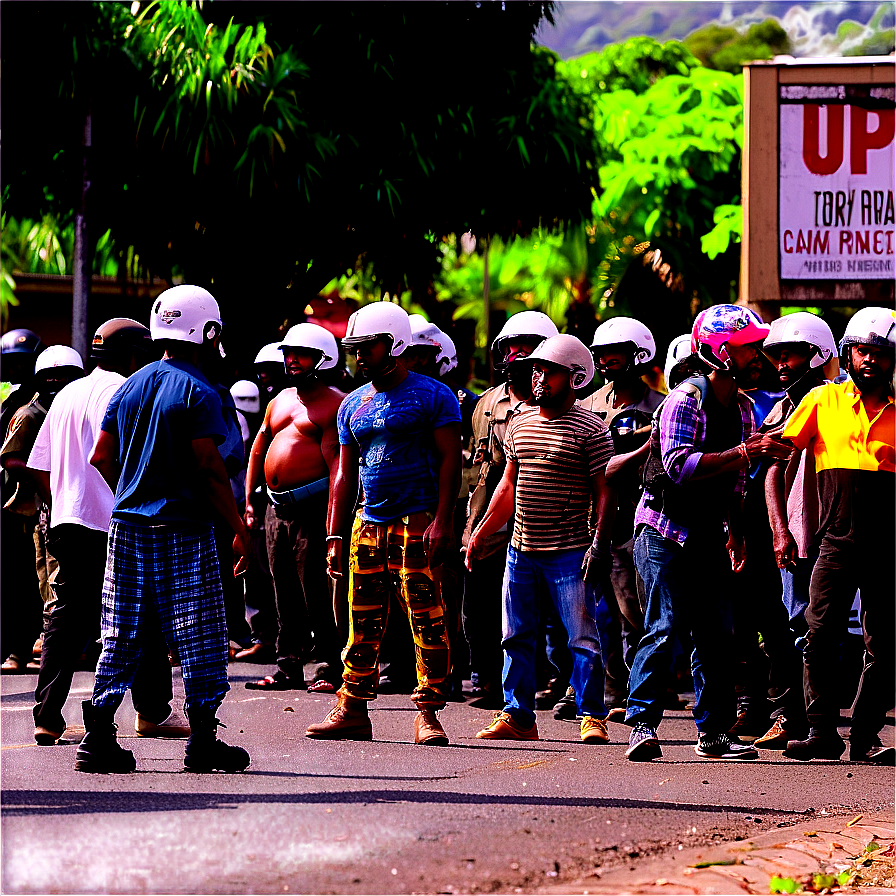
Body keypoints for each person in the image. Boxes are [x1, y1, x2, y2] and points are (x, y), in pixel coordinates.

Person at [77, 285, 251, 774]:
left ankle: (98, 737)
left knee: (122, 628)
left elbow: (102, 457)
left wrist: (135, 488)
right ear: (208, 331)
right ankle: (202, 740)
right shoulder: (200, 390)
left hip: (127, 526)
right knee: (198, 631)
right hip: (184, 526)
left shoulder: (130, 385)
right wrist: (237, 527)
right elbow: (210, 469)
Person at [624, 304, 792, 762]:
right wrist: (746, 450)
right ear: (719, 353)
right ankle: (642, 725)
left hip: (708, 532)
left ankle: (714, 733)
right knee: (663, 625)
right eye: (748, 349)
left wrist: (735, 533)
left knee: (717, 633)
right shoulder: (685, 400)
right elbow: (678, 466)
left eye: (757, 347)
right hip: (663, 529)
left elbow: (735, 482)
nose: (759, 356)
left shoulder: (740, 407)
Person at [305, 301, 461, 746]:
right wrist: (335, 533)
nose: (357, 357)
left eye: (365, 348)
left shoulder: (434, 395)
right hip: (366, 524)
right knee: (362, 619)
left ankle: (428, 713)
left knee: (427, 617)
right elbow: (343, 472)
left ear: (393, 345)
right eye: (352, 349)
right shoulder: (352, 404)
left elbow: (450, 459)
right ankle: (352, 707)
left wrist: (444, 521)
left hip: (418, 521)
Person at [26, 319, 188, 745]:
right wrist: (127, 498)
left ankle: (47, 717)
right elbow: (109, 456)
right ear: (137, 354)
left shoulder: (67, 394)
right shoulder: (128, 390)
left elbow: (38, 466)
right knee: (144, 612)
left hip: (65, 521)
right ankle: (152, 713)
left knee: (67, 615)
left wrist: (63, 505)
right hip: (112, 521)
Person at [467, 334, 616, 745]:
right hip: (521, 550)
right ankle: (518, 715)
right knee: (515, 635)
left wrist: (599, 544)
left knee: (582, 639)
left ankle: (592, 715)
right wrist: (482, 531)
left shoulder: (592, 430)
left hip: (569, 552)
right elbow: (507, 486)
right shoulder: (520, 423)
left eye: (549, 371)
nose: (539, 378)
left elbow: (605, 492)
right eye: (536, 370)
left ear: (575, 377)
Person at [777, 307, 895, 764]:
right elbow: (779, 461)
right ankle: (822, 732)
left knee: (883, 646)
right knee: (820, 635)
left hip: (887, 549)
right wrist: (780, 527)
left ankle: (865, 736)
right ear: (848, 353)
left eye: (881, 354)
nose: (871, 360)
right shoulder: (821, 403)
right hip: (835, 542)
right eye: (863, 350)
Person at [736, 312, 837, 751]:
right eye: (776, 356)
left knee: (825, 629)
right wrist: (781, 531)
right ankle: (794, 718)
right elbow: (771, 475)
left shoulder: (837, 400)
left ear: (817, 356)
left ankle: (818, 722)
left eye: (790, 355)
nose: (780, 364)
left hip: (837, 532)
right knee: (793, 625)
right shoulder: (781, 408)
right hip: (798, 532)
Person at [461, 311, 559, 707]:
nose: (516, 353)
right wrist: (474, 525)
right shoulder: (486, 402)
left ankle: (548, 683)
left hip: (541, 520)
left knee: (543, 612)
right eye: (510, 346)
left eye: (527, 345)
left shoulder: (560, 401)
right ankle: (487, 680)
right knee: (480, 607)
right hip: (489, 517)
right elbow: (483, 469)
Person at [243, 322, 345, 691]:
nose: (291, 360)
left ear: (323, 358)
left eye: (300, 354)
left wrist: (334, 525)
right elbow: (258, 446)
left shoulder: (335, 403)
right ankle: (287, 667)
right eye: (288, 354)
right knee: (282, 587)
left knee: (315, 589)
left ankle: (329, 667)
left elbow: (339, 468)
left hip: (313, 509)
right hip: (274, 509)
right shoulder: (280, 399)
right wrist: (250, 498)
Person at [579, 317, 664, 719]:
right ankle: (609, 689)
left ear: (639, 355)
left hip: (641, 520)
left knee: (637, 610)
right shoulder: (589, 406)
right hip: (596, 521)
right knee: (597, 611)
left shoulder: (662, 406)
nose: (607, 361)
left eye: (616, 353)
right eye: (601, 355)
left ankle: (639, 690)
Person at [1, 345, 84, 673]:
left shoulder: (74, 408)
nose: (56, 382)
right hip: (34, 510)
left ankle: (69, 646)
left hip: (73, 506)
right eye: (49, 376)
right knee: (41, 580)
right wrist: (48, 480)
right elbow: (11, 458)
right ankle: (27, 650)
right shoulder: (30, 413)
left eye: (62, 376)